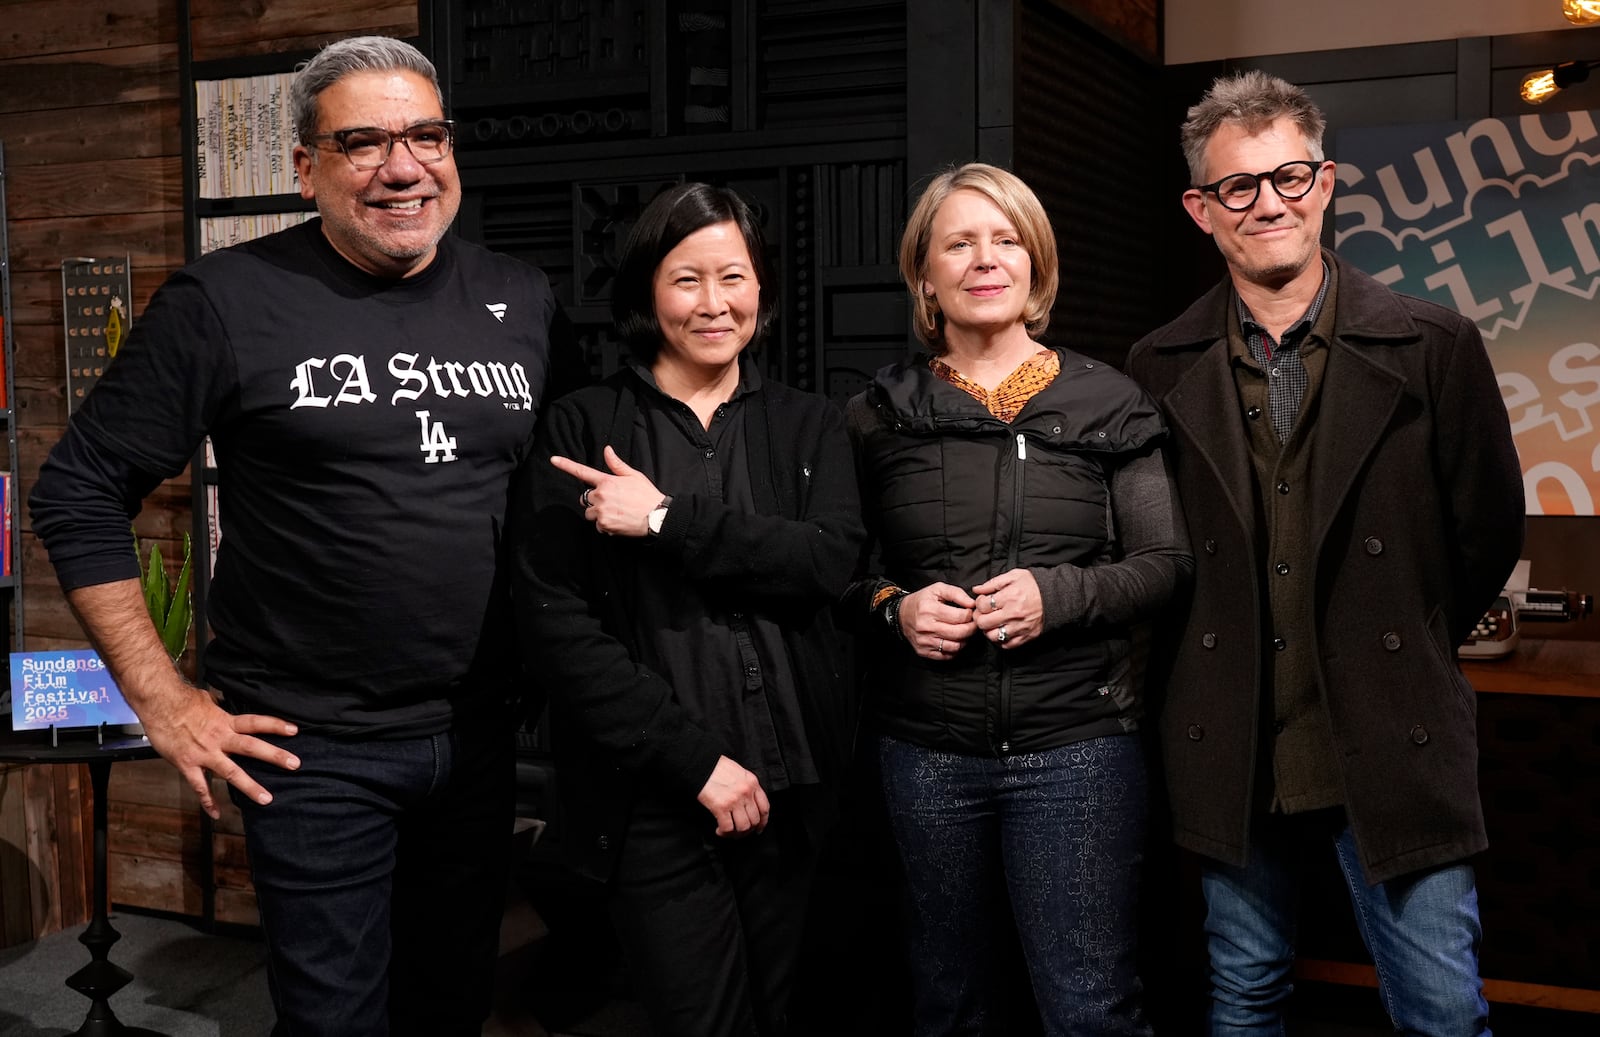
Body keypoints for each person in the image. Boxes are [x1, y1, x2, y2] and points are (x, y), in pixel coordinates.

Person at [29, 35, 569, 1037]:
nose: (402, 167)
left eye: (424, 135)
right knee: (334, 1018)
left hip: (480, 735)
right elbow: (77, 490)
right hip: (313, 750)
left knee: (450, 1002)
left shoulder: (521, 298)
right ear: (304, 168)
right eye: (361, 141)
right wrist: (164, 699)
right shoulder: (226, 300)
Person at [1126, 70, 1525, 1035]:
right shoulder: (1156, 365)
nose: (1270, 203)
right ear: (1201, 209)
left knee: (1440, 1009)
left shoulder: (1434, 344)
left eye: (1291, 176)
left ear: (1328, 182)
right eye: (1239, 186)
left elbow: (1487, 532)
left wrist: (1400, 630)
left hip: (1395, 726)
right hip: (1232, 734)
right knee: (1245, 993)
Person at [506, 181, 865, 1037]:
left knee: (786, 1015)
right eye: (687, 279)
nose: (716, 304)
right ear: (645, 293)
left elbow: (827, 562)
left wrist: (664, 519)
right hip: (657, 794)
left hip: (798, 784)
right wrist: (697, 761)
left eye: (734, 278)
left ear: (762, 290)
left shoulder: (810, 425)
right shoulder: (581, 427)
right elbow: (557, 627)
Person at [845, 162, 1191, 1036]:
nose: (984, 259)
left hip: (1077, 752)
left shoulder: (1109, 400)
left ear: (1037, 266)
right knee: (946, 1002)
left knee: (1090, 1009)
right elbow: (840, 570)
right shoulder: (877, 413)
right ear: (925, 275)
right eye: (958, 242)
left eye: (1006, 240)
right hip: (926, 753)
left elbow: (1166, 563)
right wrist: (895, 607)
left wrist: (1060, 594)